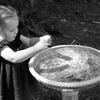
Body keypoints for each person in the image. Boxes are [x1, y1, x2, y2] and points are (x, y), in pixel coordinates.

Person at [0, 5, 52, 100]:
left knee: (23, 93)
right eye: (12, 30)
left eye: (17, 27)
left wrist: (41, 39)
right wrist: (36, 48)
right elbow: (14, 57)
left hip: (20, 73)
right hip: (8, 80)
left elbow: (29, 41)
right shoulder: (1, 46)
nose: (16, 31)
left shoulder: (15, 34)